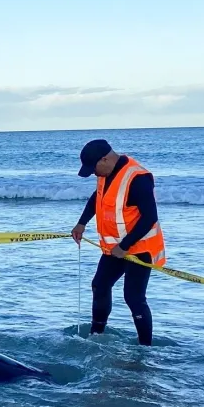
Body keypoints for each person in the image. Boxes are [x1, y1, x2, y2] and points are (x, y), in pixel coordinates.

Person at [70, 139, 166, 346]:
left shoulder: (138, 177)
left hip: (139, 247)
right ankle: (97, 335)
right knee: (99, 285)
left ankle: (145, 348)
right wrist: (81, 223)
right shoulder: (105, 173)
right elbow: (97, 198)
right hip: (114, 248)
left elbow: (150, 217)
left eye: (93, 168)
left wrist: (124, 246)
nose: (94, 174)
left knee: (133, 297)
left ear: (105, 159)